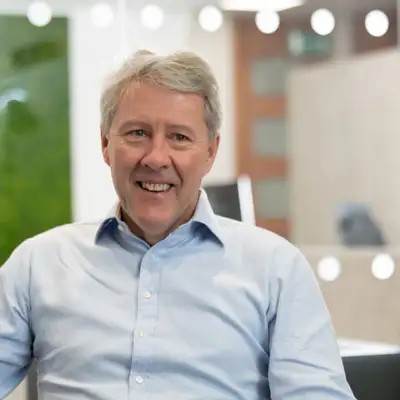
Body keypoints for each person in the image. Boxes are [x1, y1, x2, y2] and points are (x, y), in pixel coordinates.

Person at [0, 49, 356, 399]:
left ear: (210, 152)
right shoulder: (38, 265)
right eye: (137, 133)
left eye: (179, 137)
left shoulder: (276, 269)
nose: (156, 158)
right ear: (106, 144)